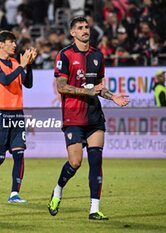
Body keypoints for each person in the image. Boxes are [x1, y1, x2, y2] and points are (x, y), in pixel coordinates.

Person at [47, 17, 129, 220]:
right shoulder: (65, 55)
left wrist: (112, 96)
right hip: (73, 116)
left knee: (96, 161)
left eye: (87, 27)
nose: (85, 30)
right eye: (80, 28)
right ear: (72, 33)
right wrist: (87, 91)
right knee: (75, 162)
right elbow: (61, 86)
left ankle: (94, 209)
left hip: (94, 117)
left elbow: (99, 88)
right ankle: (58, 190)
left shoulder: (98, 56)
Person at [0, 30, 37, 203]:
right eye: (11, 41)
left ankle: (14, 193)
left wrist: (28, 65)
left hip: (17, 112)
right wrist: (22, 66)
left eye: (15, 42)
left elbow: (28, 84)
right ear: (1, 44)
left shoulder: (15, 62)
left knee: (19, 154)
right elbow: (5, 80)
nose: (15, 45)